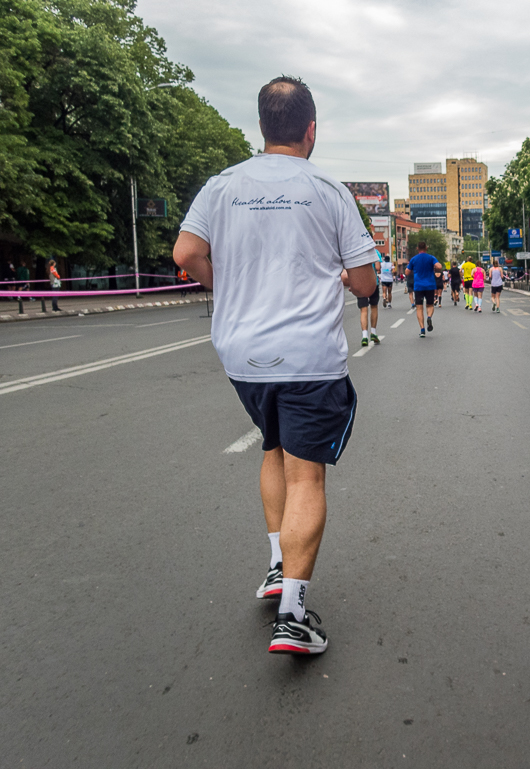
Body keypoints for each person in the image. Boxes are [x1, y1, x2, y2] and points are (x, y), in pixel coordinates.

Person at [173, 76, 379, 656]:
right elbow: (364, 282)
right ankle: (293, 614)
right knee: (306, 473)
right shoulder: (329, 189)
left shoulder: (222, 185)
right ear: (311, 130)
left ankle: (274, 565)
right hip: (308, 357)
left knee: (273, 447)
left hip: (242, 355)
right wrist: (342, 275)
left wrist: (228, 282)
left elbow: (186, 254)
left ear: (262, 128)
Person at [406, 241, 442, 337]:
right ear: (426, 248)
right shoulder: (431, 258)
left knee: (419, 308)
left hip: (418, 286)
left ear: (417, 248)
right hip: (430, 285)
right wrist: (435, 267)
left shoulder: (413, 259)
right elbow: (439, 266)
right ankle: (429, 317)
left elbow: (406, 272)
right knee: (430, 305)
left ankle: (422, 329)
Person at [358, 251, 382, 347]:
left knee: (363, 309)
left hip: (360, 283)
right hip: (372, 283)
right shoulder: (375, 252)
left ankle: (364, 336)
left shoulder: (358, 252)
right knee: (374, 307)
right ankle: (373, 332)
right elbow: (377, 268)